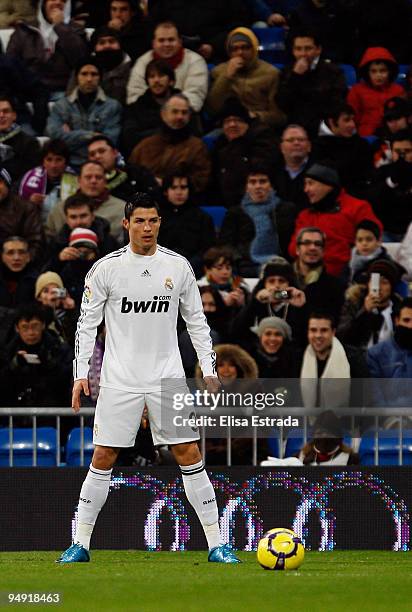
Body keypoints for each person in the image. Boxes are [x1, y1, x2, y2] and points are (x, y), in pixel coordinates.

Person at [56, 192, 240, 564]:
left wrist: (209, 368)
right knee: (104, 455)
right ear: (126, 224)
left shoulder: (178, 266)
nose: (147, 227)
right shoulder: (106, 268)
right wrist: (80, 374)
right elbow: (86, 323)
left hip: (167, 378)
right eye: (139, 220)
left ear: (160, 223)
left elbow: (197, 322)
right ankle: (80, 544)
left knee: (189, 452)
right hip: (119, 379)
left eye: (153, 220)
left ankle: (218, 545)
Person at [289, 162, 382, 277]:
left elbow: (372, 239)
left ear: (327, 185)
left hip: (346, 278)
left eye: (310, 184)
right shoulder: (305, 215)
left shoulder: (358, 208)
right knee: (279, 291)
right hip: (306, 276)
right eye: (305, 184)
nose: (306, 189)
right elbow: (293, 248)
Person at [46, 57, 122, 168]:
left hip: (101, 165)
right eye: (84, 74)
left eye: (94, 74)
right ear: (77, 77)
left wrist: (71, 136)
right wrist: (91, 135)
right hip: (70, 165)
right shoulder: (61, 106)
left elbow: (110, 140)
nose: (89, 79)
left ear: (100, 78)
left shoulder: (112, 106)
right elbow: (55, 138)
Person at [128, 94, 211, 193]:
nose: (180, 117)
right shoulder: (145, 146)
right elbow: (131, 173)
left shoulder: (197, 147)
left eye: (184, 113)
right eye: (175, 112)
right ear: (163, 114)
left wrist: (169, 185)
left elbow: (201, 180)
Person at [206, 27, 285, 129]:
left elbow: (279, 117)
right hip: (228, 126)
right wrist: (227, 77)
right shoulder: (218, 72)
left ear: (254, 49)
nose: (240, 52)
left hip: (259, 126)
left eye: (245, 47)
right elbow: (212, 109)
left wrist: (255, 116)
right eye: (235, 49)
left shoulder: (271, 73)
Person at [6, 0, 89, 98]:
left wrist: (60, 27)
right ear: (43, 4)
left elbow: (81, 61)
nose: (58, 2)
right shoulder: (24, 30)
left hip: (64, 91)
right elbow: (10, 63)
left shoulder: (77, 30)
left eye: (63, 0)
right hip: (30, 91)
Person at [0, 302, 73, 410]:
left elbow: (66, 382)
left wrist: (49, 364)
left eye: (35, 326)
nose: (30, 332)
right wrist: (14, 365)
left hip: (52, 413)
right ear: (17, 328)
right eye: (25, 327)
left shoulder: (58, 349)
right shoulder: (7, 351)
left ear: (43, 325)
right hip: (14, 415)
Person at [126, 21, 208, 113]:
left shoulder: (195, 61)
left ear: (180, 42)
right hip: (147, 118)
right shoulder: (142, 62)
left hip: (181, 117)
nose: (166, 44)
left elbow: (195, 98)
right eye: (161, 40)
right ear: (153, 43)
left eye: (171, 40)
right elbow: (134, 96)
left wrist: (170, 114)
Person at [219, 165, 287, 276]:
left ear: (271, 186)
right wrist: (240, 260)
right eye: (252, 182)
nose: (258, 186)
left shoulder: (284, 210)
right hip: (244, 266)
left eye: (263, 181)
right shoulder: (235, 212)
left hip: (280, 263)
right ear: (246, 187)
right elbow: (226, 244)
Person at [277, 29, 347, 137]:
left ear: (318, 49)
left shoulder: (333, 72)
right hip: (295, 127)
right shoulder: (287, 72)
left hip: (324, 126)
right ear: (293, 51)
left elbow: (336, 104)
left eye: (308, 48)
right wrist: (296, 76)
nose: (303, 54)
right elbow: (282, 103)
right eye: (298, 49)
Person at [210, 97, 276, 208]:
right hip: (228, 205)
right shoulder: (220, 145)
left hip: (257, 203)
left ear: (247, 124)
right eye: (227, 121)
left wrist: (237, 144)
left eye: (237, 120)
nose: (232, 124)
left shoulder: (262, 138)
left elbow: (259, 168)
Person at [300, 311, 369, 410]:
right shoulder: (298, 358)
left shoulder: (353, 358)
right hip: (306, 422)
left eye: (324, 330)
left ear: (333, 332)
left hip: (346, 422)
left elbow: (362, 397)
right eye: (313, 330)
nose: (318, 335)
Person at [46, 161, 126, 243]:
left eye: (98, 177)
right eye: (88, 177)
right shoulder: (59, 210)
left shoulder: (122, 210)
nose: (93, 181)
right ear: (79, 180)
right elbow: (48, 242)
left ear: (105, 181)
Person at [157, 171, 215, 277]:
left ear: (189, 190)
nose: (179, 192)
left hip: (194, 271)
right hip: (160, 269)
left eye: (183, 188)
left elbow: (207, 249)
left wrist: (189, 266)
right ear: (166, 191)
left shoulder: (202, 217)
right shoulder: (155, 218)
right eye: (174, 188)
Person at [337, 259, 403, 350]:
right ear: (368, 283)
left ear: (392, 287)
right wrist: (364, 312)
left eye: (384, 283)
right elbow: (343, 337)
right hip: (359, 359)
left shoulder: (400, 308)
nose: (379, 288)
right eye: (375, 282)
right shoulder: (354, 303)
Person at [314, 103, 374, 198]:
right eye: (346, 120)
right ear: (332, 122)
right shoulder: (318, 147)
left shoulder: (361, 144)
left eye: (353, 120)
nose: (352, 125)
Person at [121, 59, 179, 156]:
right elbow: (130, 138)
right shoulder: (136, 108)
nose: (156, 80)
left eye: (161, 75)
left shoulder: (183, 105)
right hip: (147, 156)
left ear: (171, 81)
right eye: (152, 76)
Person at [46, 193, 119, 268]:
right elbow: (44, 273)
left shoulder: (107, 240)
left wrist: (94, 259)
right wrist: (59, 259)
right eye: (73, 217)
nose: (79, 222)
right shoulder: (58, 241)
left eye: (83, 216)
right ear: (67, 219)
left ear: (92, 216)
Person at [347, 47, 405, 137]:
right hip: (365, 136)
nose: (378, 75)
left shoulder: (398, 90)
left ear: (390, 72)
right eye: (373, 71)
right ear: (367, 73)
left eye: (383, 71)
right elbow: (352, 117)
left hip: (394, 136)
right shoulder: (357, 90)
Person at [367, 129, 412, 241]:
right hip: (387, 231)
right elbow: (373, 199)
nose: (402, 156)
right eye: (397, 151)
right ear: (391, 152)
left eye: (407, 151)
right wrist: (391, 182)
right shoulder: (381, 172)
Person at [19, 139, 78, 224]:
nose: (53, 165)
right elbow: (18, 211)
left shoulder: (75, 179)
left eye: (58, 160)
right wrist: (30, 203)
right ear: (43, 161)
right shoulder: (30, 178)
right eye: (49, 159)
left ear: (66, 162)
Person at [291, 226, 344, 321]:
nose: (312, 248)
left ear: (323, 251)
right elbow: (276, 295)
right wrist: (286, 293)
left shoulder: (334, 286)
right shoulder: (284, 277)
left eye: (318, 244)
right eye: (307, 243)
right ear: (297, 249)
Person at [367, 298, 412, 407]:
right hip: (386, 420)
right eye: (406, 320)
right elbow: (375, 397)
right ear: (396, 320)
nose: (411, 326)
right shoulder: (376, 354)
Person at [87, 135, 159, 201]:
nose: (97, 156)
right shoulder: (88, 183)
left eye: (101, 151)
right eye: (92, 154)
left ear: (115, 153)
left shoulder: (136, 172)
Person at [0, 167, 43, 263]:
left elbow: (36, 243)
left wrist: (20, 259)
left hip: (20, 266)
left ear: (7, 184)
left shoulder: (26, 208)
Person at [0, 95, 41, 182]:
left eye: (6, 111)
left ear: (14, 115)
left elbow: (28, 178)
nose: (1, 115)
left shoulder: (30, 143)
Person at [272, 124, 312, 213]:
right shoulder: (271, 172)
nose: (296, 143)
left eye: (301, 140)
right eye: (290, 140)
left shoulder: (319, 172)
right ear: (281, 147)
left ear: (309, 146)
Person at [347, 220, 394, 284]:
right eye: (360, 240)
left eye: (369, 239)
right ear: (355, 242)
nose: (364, 244)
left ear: (378, 241)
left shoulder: (385, 265)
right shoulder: (349, 262)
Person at [0, 236, 36, 311]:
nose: (16, 258)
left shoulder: (37, 281)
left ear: (28, 257)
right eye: (10, 253)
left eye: (21, 252)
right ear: (2, 257)